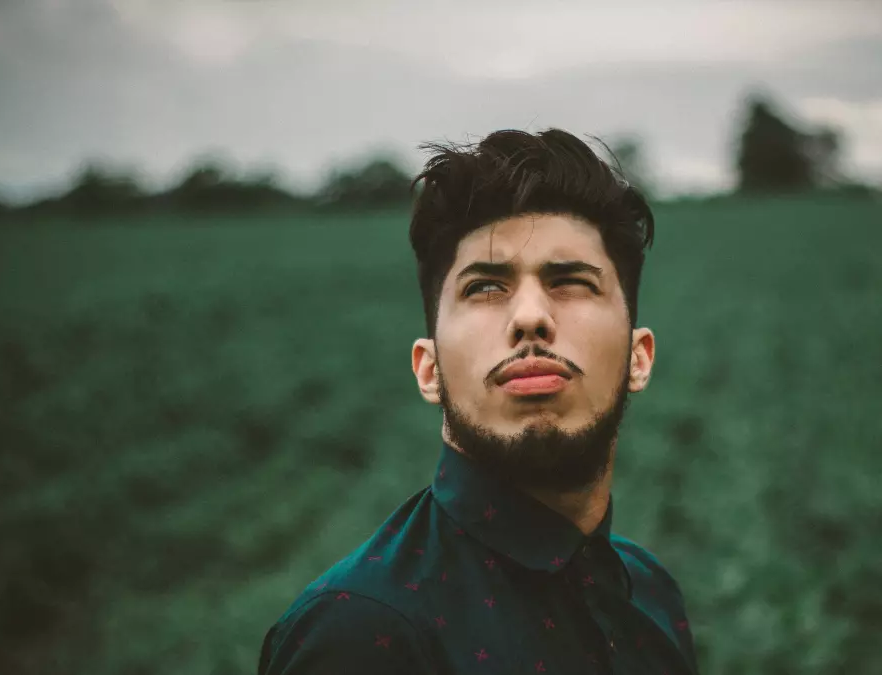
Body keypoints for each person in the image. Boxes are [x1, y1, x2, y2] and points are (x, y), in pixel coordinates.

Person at [257, 129, 699, 674]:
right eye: (486, 288)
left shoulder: (652, 596)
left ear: (638, 357)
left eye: (571, 282)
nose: (531, 317)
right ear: (430, 368)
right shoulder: (361, 634)